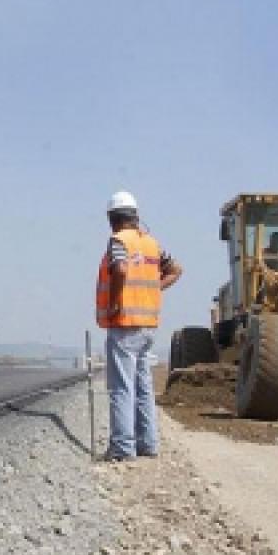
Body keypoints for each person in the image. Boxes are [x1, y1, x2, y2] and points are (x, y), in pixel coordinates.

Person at [96, 190, 182, 461]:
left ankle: (123, 448)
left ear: (112, 218)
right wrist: (153, 290)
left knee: (121, 387)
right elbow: (176, 270)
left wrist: (116, 302)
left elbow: (120, 269)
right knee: (143, 386)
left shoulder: (118, 240)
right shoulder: (151, 244)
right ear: (135, 215)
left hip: (125, 323)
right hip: (148, 324)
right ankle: (148, 444)